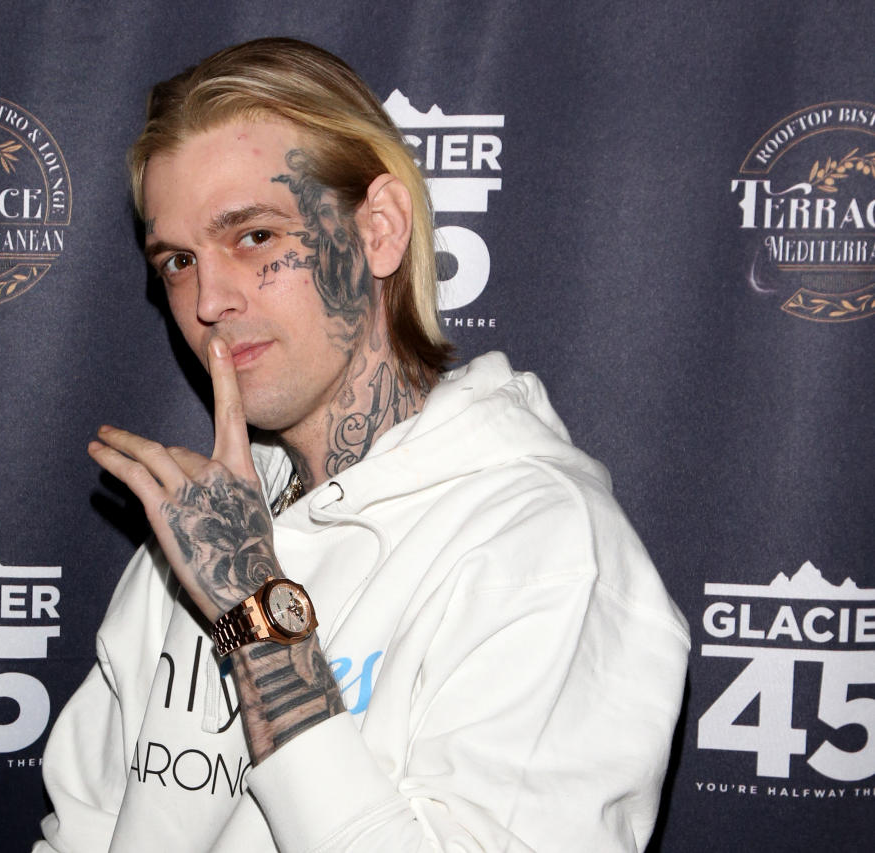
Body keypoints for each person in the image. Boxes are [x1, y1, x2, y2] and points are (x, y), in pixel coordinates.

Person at [34, 37, 689, 853]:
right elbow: (84, 832)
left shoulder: (544, 542)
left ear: (378, 231)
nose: (207, 300)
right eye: (176, 260)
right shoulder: (203, 521)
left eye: (254, 237)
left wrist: (257, 615)